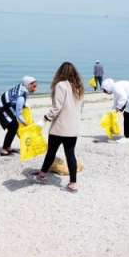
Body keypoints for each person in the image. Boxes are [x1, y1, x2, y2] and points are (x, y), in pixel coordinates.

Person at [32, 62, 84, 192]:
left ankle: (42, 175)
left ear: (60, 72)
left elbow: (57, 108)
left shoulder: (61, 85)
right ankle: (73, 183)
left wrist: (44, 119)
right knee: (70, 154)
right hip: (73, 127)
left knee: (51, 152)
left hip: (60, 127)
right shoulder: (78, 87)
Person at [0, 76, 38, 156]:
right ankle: (4, 149)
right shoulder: (21, 96)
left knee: (14, 126)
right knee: (13, 126)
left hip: (2, 105)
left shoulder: (22, 87)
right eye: (34, 86)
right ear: (28, 85)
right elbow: (18, 114)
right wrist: (25, 123)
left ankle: (7, 147)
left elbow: (16, 103)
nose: (35, 88)